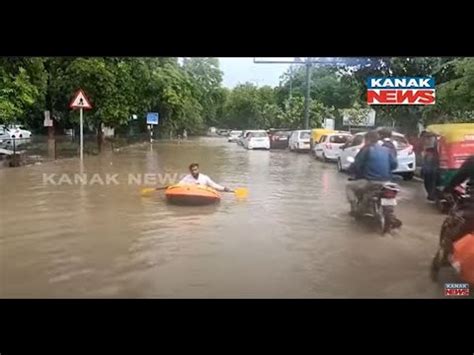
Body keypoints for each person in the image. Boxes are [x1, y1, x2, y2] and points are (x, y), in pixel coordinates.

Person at [431, 155, 474, 279]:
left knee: (451, 228)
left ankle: (441, 259)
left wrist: (446, 189)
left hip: (470, 208)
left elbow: (457, 179)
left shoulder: (472, 160)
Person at [346, 130, 398, 214]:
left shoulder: (366, 149)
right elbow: (394, 165)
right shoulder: (386, 150)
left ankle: (354, 209)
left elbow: (357, 165)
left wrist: (350, 171)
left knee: (348, 187)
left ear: (367, 140)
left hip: (370, 181)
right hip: (386, 182)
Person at [421, 133, 439, 202]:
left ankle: (431, 194)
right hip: (432, 166)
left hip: (431, 167)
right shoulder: (433, 141)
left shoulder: (430, 150)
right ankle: (431, 194)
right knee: (431, 180)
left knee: (430, 180)